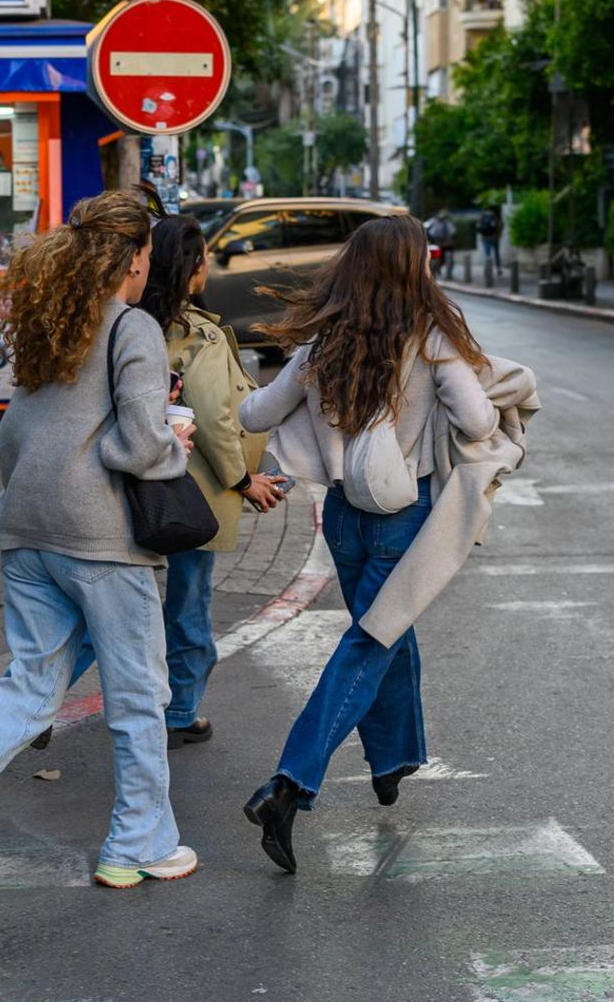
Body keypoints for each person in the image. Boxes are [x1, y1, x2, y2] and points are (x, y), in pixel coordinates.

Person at [0, 189, 199, 902]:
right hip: (100, 537)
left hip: (25, 528)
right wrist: (175, 445)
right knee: (137, 695)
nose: (146, 267)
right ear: (131, 257)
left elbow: (13, 434)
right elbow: (137, 444)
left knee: (29, 686)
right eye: (146, 255)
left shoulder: (48, 325)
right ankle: (137, 846)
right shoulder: (133, 329)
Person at [237, 215, 536, 875]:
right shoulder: (432, 338)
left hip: (343, 517)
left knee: (385, 633)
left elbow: (256, 414)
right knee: (372, 641)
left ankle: (393, 760)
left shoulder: (324, 343)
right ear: (411, 269)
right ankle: (289, 784)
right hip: (406, 521)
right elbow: (479, 420)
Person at [139, 214, 290, 747]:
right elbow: (211, 413)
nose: (208, 264)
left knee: (119, 599)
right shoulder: (194, 332)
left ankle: (44, 692)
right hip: (190, 492)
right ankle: (181, 707)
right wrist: (244, 479)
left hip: (134, 480)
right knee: (188, 601)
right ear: (190, 266)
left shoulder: (134, 322)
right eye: (202, 256)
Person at [425, 208, 456, 272]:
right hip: (448, 243)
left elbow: (425, 227)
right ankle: (448, 273)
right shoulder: (449, 221)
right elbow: (453, 232)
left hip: (437, 242)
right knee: (448, 259)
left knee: (438, 258)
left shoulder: (433, 220)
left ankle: (437, 270)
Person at [477, 206, 502, 273]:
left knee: (487, 254)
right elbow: (499, 227)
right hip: (494, 238)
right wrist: (498, 236)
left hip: (485, 238)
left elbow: (478, 229)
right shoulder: (494, 217)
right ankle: (498, 268)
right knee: (496, 254)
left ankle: (487, 269)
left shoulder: (482, 217)